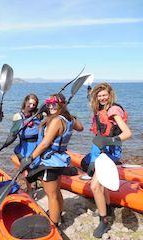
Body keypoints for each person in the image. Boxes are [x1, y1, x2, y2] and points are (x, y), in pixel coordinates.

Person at [81, 83, 132, 238]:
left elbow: (127, 133)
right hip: (99, 149)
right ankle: (108, 208)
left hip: (109, 150)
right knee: (100, 181)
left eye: (105, 95)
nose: (102, 98)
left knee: (95, 186)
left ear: (110, 95)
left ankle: (104, 221)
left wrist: (109, 141)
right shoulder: (100, 108)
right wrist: (89, 92)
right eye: (99, 95)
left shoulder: (113, 110)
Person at [26, 93, 83, 227]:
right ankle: (58, 214)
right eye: (48, 104)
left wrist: (30, 158)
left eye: (54, 105)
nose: (50, 107)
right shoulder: (68, 119)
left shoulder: (57, 120)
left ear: (61, 105)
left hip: (49, 161)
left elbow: (45, 144)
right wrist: (68, 114)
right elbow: (80, 128)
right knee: (56, 191)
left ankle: (54, 223)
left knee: (51, 195)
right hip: (60, 160)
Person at [12, 94, 42, 195]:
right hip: (26, 146)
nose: (31, 106)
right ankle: (29, 190)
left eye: (34, 104)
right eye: (30, 103)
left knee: (38, 167)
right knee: (27, 170)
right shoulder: (18, 116)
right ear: (25, 102)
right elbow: (13, 132)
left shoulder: (38, 115)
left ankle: (37, 185)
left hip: (38, 145)